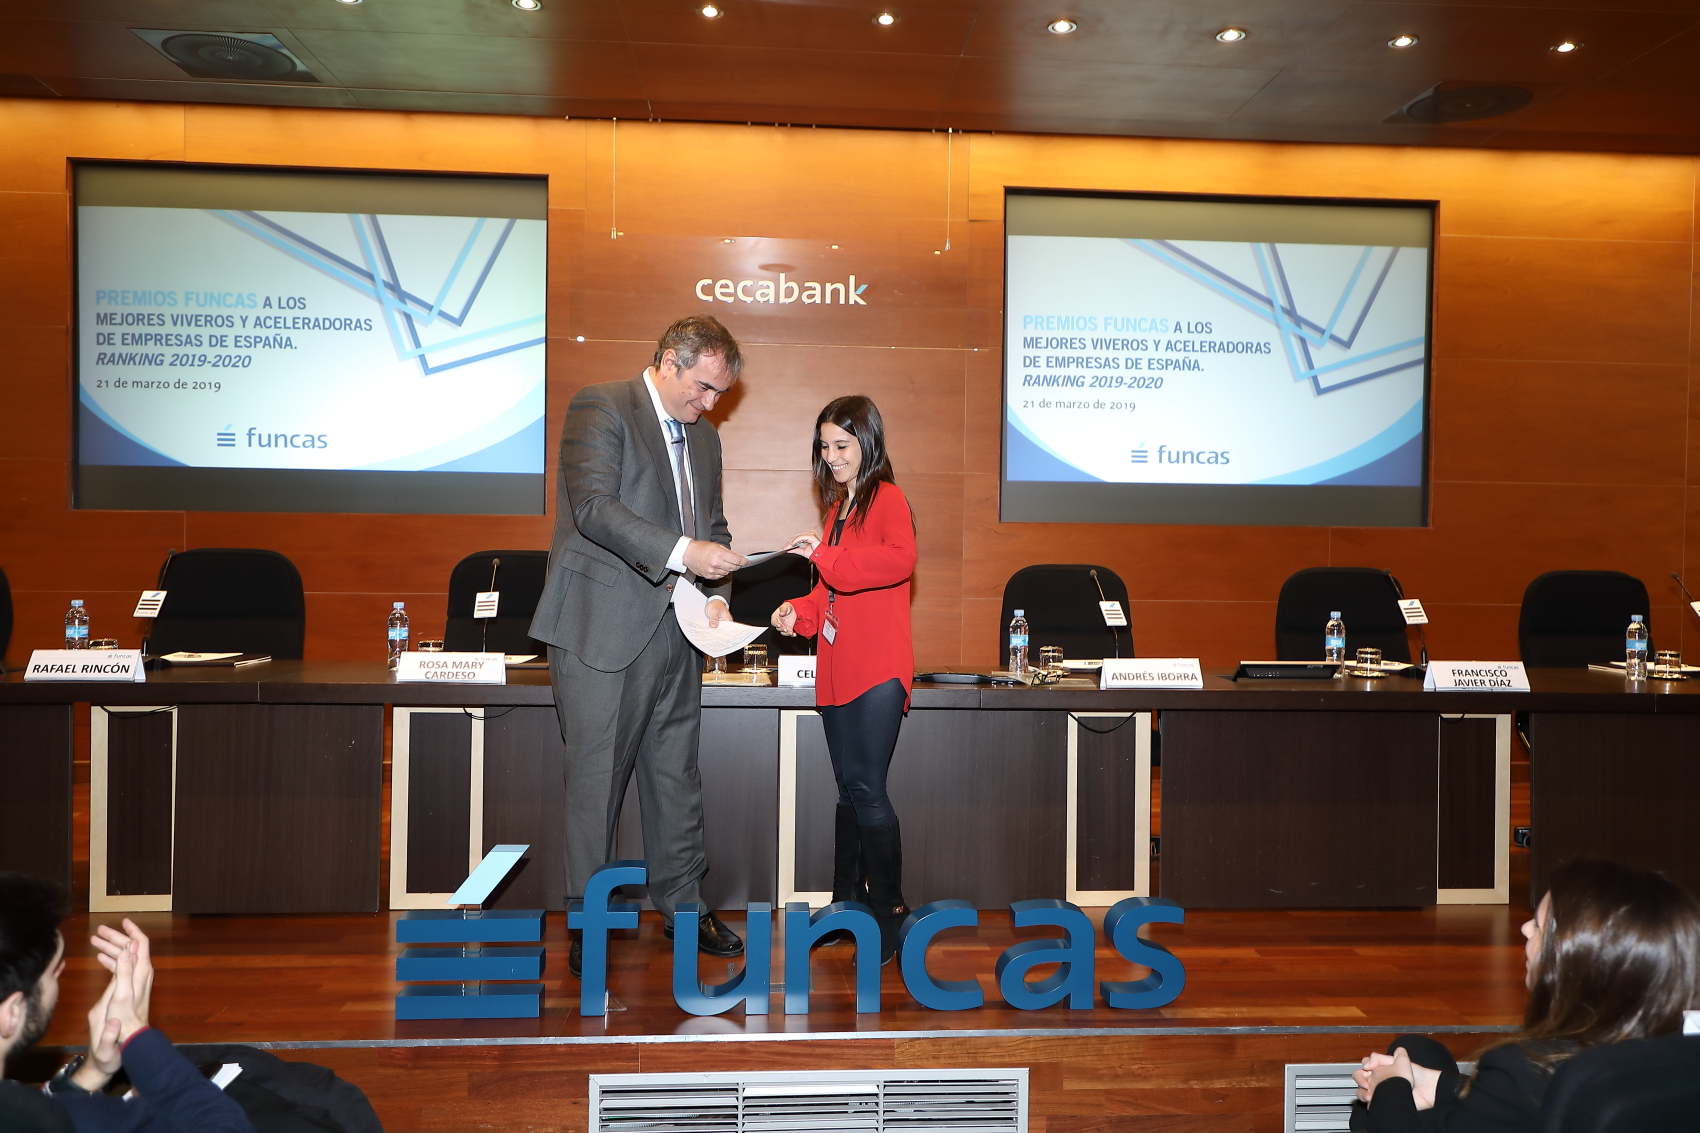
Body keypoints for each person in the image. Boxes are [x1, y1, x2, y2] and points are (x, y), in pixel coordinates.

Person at [529, 315, 750, 976]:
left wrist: (717, 595)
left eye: (720, 393)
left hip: (679, 630)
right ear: (669, 361)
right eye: (704, 387)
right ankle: (589, 920)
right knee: (596, 781)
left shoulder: (705, 439)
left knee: (676, 775)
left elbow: (713, 524)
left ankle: (685, 906)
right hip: (600, 626)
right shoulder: (601, 406)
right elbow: (594, 507)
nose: (710, 403)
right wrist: (686, 553)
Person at [1351, 857, 1700, 1132]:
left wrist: (1391, 1090)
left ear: (1575, 963)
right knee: (1417, 1049)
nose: (1523, 928)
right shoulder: (1674, 1051)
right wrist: (1438, 1085)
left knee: (1370, 1111)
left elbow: (1526, 1090)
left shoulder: (1519, 1067)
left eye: (1538, 925)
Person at [771, 395, 917, 964]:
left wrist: (823, 559)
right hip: (836, 671)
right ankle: (846, 904)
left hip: (877, 667)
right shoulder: (838, 510)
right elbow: (827, 592)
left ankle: (889, 913)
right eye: (825, 446)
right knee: (848, 791)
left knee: (866, 787)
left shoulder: (887, 497)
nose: (832, 456)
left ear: (867, 443)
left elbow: (898, 560)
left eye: (842, 445)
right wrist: (798, 611)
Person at [0, 871, 254, 1132]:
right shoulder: (69, 1119)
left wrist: (92, 1073)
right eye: (54, 972)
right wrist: (136, 1032)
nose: (60, 975)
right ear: (12, 1013)